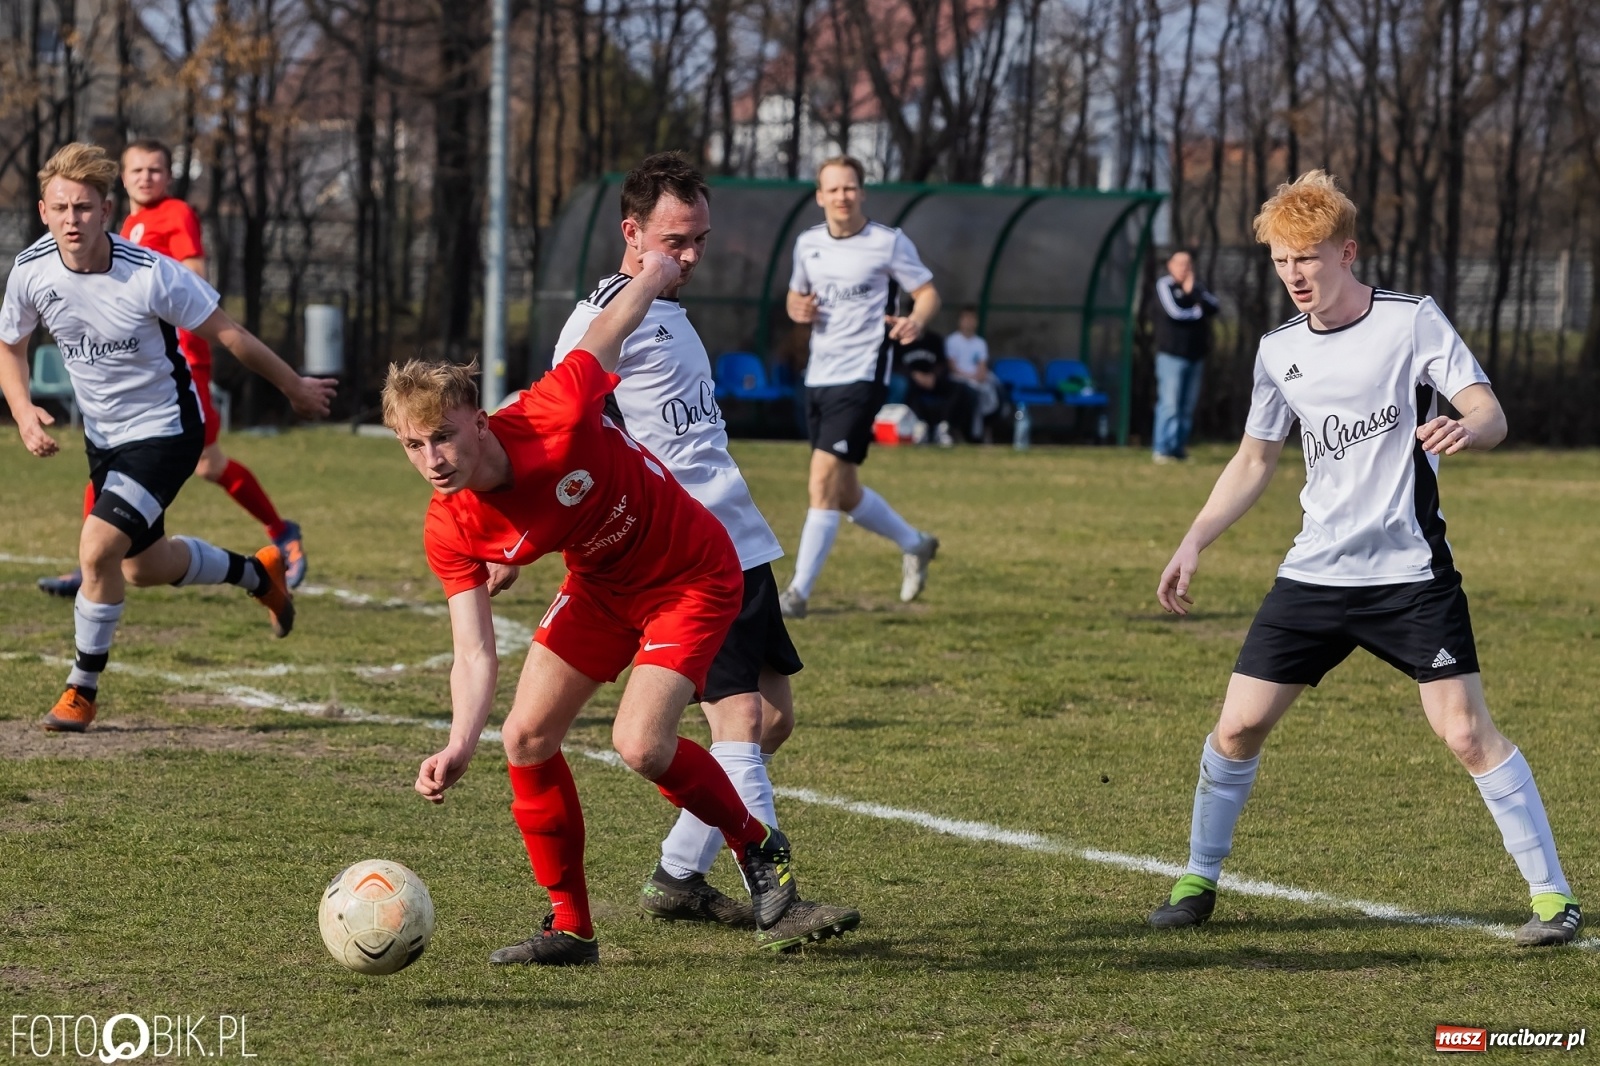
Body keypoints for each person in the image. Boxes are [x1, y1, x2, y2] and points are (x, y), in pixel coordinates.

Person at [1149, 170, 1581, 947]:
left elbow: (1488, 410)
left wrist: (1468, 428)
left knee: (1465, 732)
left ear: (1346, 252)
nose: (1294, 276)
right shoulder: (1278, 350)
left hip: (1410, 578)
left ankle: (1553, 899)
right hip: (1314, 574)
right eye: (1281, 262)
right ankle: (1197, 880)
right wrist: (1193, 538)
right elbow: (1254, 459)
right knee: (1239, 727)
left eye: (1308, 258)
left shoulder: (1411, 321)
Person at [389, 253, 802, 967]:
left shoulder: (555, 410)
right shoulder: (448, 524)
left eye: (445, 436)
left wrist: (654, 273)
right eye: (413, 446)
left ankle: (759, 846)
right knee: (524, 738)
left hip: (692, 574)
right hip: (603, 582)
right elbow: (473, 651)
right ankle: (572, 927)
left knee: (640, 743)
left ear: (479, 423)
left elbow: (611, 326)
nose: (434, 459)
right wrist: (460, 743)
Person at [543, 152, 858, 950]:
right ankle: (778, 898)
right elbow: (569, 422)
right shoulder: (601, 318)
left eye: (700, 241)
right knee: (740, 720)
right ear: (631, 232)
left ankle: (680, 874)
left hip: (741, 538)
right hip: (688, 554)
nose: (689, 257)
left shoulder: (668, 306)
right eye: (675, 241)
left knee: (773, 719)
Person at [0, 143, 334, 732]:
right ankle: (258, 574)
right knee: (138, 567)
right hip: (104, 439)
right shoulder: (31, 269)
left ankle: (81, 690)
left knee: (98, 549)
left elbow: (230, 334)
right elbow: (11, 346)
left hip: (167, 429)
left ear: (108, 210)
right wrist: (23, 411)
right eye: (61, 208)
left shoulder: (150, 273)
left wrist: (293, 386)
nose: (72, 220)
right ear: (43, 211)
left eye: (84, 207)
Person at [36, 139, 307, 599]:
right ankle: (97, 558)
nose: (146, 177)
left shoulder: (176, 214)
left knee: (202, 461)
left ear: (169, 176)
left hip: (178, 363)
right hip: (139, 368)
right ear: (121, 179)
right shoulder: (129, 223)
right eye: (137, 170)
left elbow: (194, 277)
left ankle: (281, 532)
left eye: (156, 170)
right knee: (147, 459)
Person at [781, 155, 941, 619]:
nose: (842, 197)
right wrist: (797, 309)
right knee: (843, 490)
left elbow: (927, 292)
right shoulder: (807, 244)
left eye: (849, 188)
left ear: (861, 192)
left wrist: (916, 320)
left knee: (821, 481)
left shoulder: (887, 243)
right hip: (820, 375)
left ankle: (797, 594)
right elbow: (796, 295)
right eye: (833, 189)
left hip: (864, 375)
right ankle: (916, 543)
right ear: (820, 196)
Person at [1150, 250, 1220, 463]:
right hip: (1172, 356)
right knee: (1170, 405)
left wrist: (1193, 294)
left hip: (1195, 355)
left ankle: (1178, 449)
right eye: (1179, 263)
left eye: (1187, 264)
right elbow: (1175, 313)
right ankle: (1161, 449)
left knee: (1186, 407)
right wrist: (1197, 310)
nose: (1184, 268)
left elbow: (1214, 307)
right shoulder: (1164, 286)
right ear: (1170, 265)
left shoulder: (1197, 288)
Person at [901, 334, 979, 445]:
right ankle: (920, 426)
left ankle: (944, 427)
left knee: (959, 388)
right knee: (906, 386)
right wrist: (914, 375)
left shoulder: (934, 340)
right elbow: (896, 365)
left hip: (933, 380)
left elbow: (943, 364)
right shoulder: (901, 339)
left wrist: (934, 377)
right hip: (912, 380)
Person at [944, 306, 1001, 440]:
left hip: (977, 380)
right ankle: (964, 433)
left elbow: (982, 367)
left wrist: (979, 377)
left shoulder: (980, 343)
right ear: (960, 321)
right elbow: (952, 367)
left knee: (998, 393)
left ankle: (987, 430)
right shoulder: (952, 340)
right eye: (966, 318)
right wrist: (970, 378)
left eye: (973, 318)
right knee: (969, 393)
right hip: (959, 380)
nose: (969, 322)